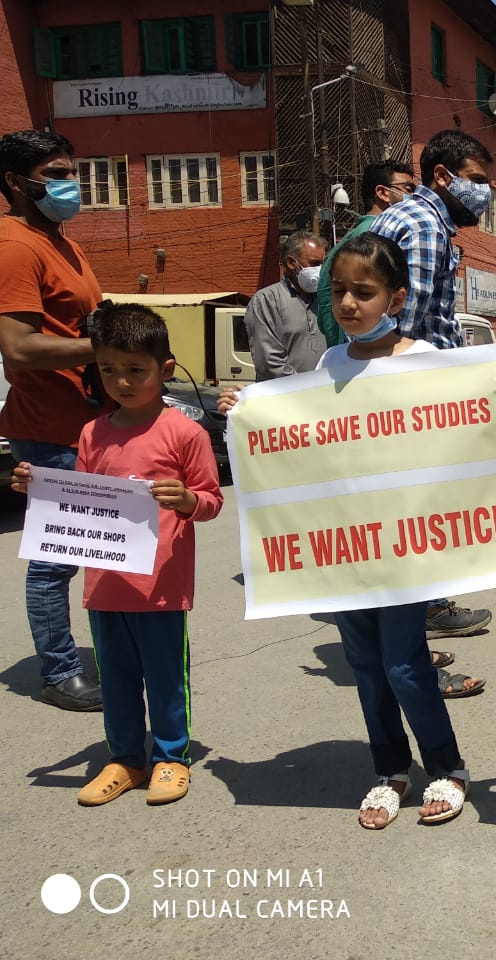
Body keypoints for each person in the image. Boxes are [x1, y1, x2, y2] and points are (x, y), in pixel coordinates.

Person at [224, 234, 496, 827]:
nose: (349, 303)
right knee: (365, 665)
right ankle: (390, 769)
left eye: (364, 291)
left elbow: (459, 438)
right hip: (344, 551)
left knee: (404, 665)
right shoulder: (330, 362)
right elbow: (307, 435)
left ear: (395, 297)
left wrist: (488, 382)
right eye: (339, 291)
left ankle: (448, 766)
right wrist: (248, 411)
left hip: (404, 552)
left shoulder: (426, 360)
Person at [12, 304, 223, 805]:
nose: (122, 382)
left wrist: (186, 499)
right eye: (108, 370)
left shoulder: (185, 433)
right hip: (105, 585)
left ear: (164, 369)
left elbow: (211, 501)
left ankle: (171, 757)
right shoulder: (92, 433)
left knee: (166, 678)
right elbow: (81, 502)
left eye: (135, 369)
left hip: (160, 587)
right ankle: (125, 758)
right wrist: (38, 488)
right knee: (117, 680)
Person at [370, 129, 496, 638]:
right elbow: (410, 327)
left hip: (395, 393)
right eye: (476, 180)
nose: (484, 193)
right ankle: (415, 631)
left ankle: (415, 619)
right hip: (412, 396)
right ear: (442, 176)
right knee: (416, 516)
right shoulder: (425, 226)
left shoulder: (403, 217)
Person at [0, 129, 103, 711]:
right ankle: (59, 671)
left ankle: (105, 651)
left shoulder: (59, 241)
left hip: (83, 422)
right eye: (56, 174)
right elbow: (17, 347)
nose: (71, 184)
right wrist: (108, 348)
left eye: (71, 172)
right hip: (48, 428)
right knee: (56, 559)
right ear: (16, 182)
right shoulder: (16, 246)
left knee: (103, 545)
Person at [315, 160, 418, 347]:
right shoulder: (377, 236)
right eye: (408, 189)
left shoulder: (353, 237)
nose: (413, 197)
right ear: (383, 192)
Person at [242, 230, 329, 381]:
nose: (320, 270)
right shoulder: (267, 300)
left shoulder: (326, 299)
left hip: (325, 390)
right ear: (291, 263)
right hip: (287, 392)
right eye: (314, 263)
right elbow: (269, 363)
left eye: (324, 264)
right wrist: (307, 386)